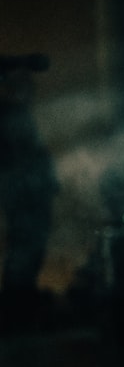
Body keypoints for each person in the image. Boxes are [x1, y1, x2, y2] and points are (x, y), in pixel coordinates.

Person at [0, 53, 57, 329]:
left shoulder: (16, 115)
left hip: (29, 193)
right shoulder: (10, 116)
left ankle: (19, 305)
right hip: (23, 194)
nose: (30, 90)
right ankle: (17, 310)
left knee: (27, 248)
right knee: (24, 247)